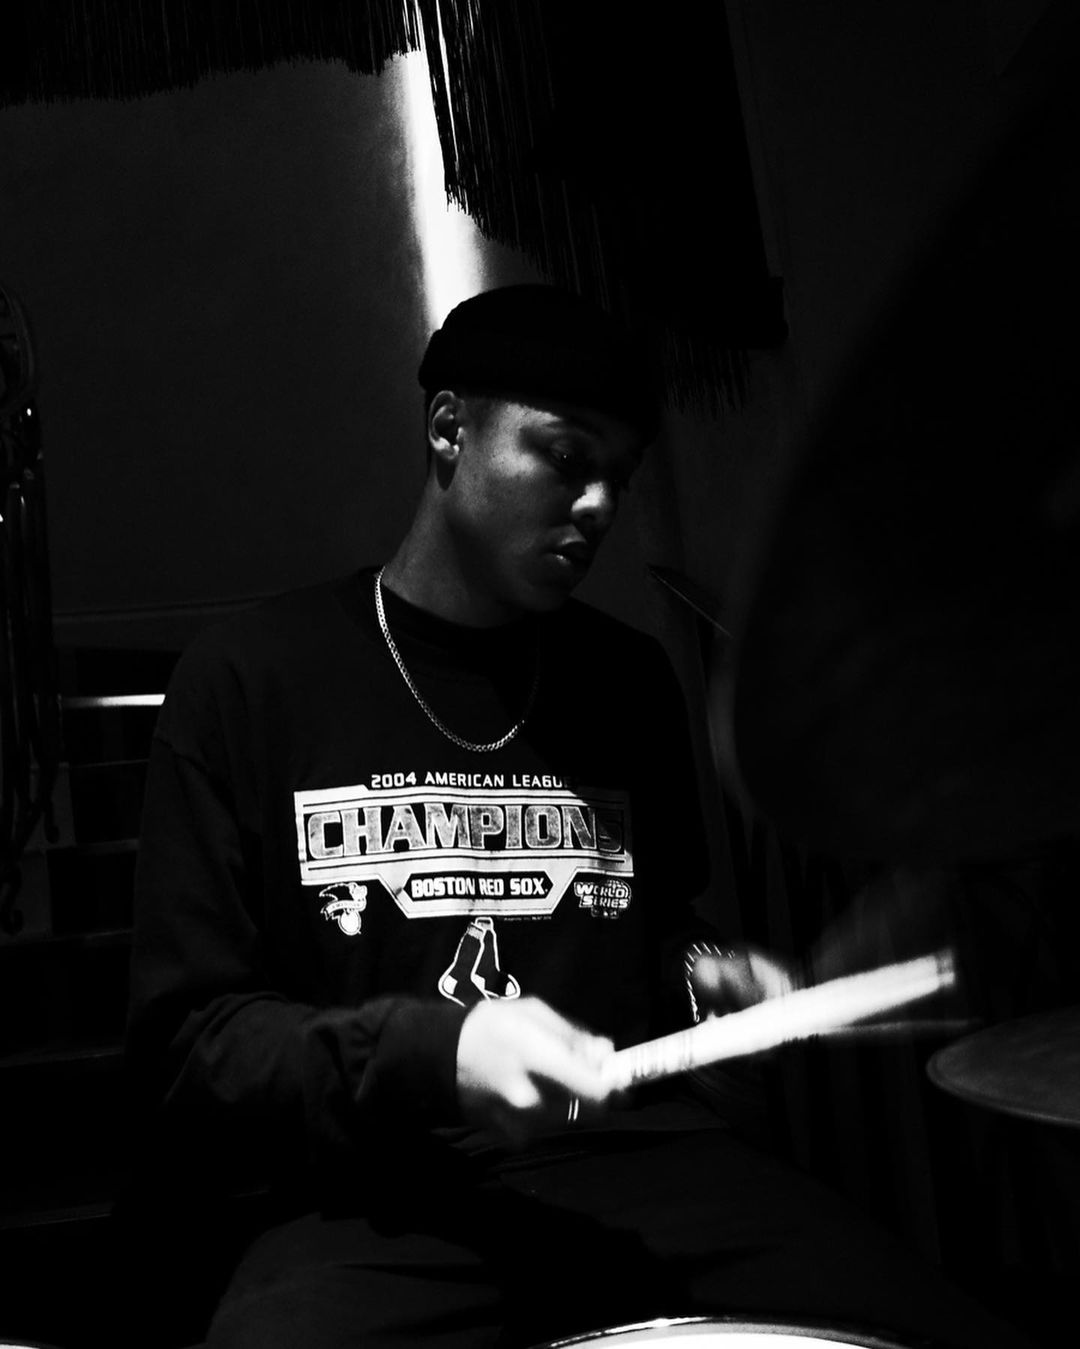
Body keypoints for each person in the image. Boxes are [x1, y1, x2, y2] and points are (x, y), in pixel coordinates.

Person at [125, 284, 1033, 1349]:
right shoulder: (251, 678)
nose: (600, 504)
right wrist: (435, 1050)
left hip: (647, 1165)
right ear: (450, 429)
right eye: (565, 457)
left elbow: (655, 928)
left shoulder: (628, 680)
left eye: (620, 475)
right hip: (371, 1196)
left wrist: (704, 976)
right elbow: (192, 1044)